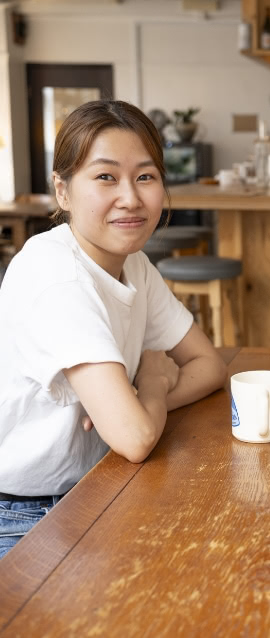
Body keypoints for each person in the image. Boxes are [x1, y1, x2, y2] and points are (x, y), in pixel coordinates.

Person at [0, 100, 227, 559]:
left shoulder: (134, 266)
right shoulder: (55, 272)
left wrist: (142, 400)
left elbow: (209, 366)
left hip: (99, 484)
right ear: (62, 191)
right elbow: (136, 438)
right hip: (26, 515)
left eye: (145, 176)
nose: (131, 197)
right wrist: (152, 385)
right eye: (106, 177)